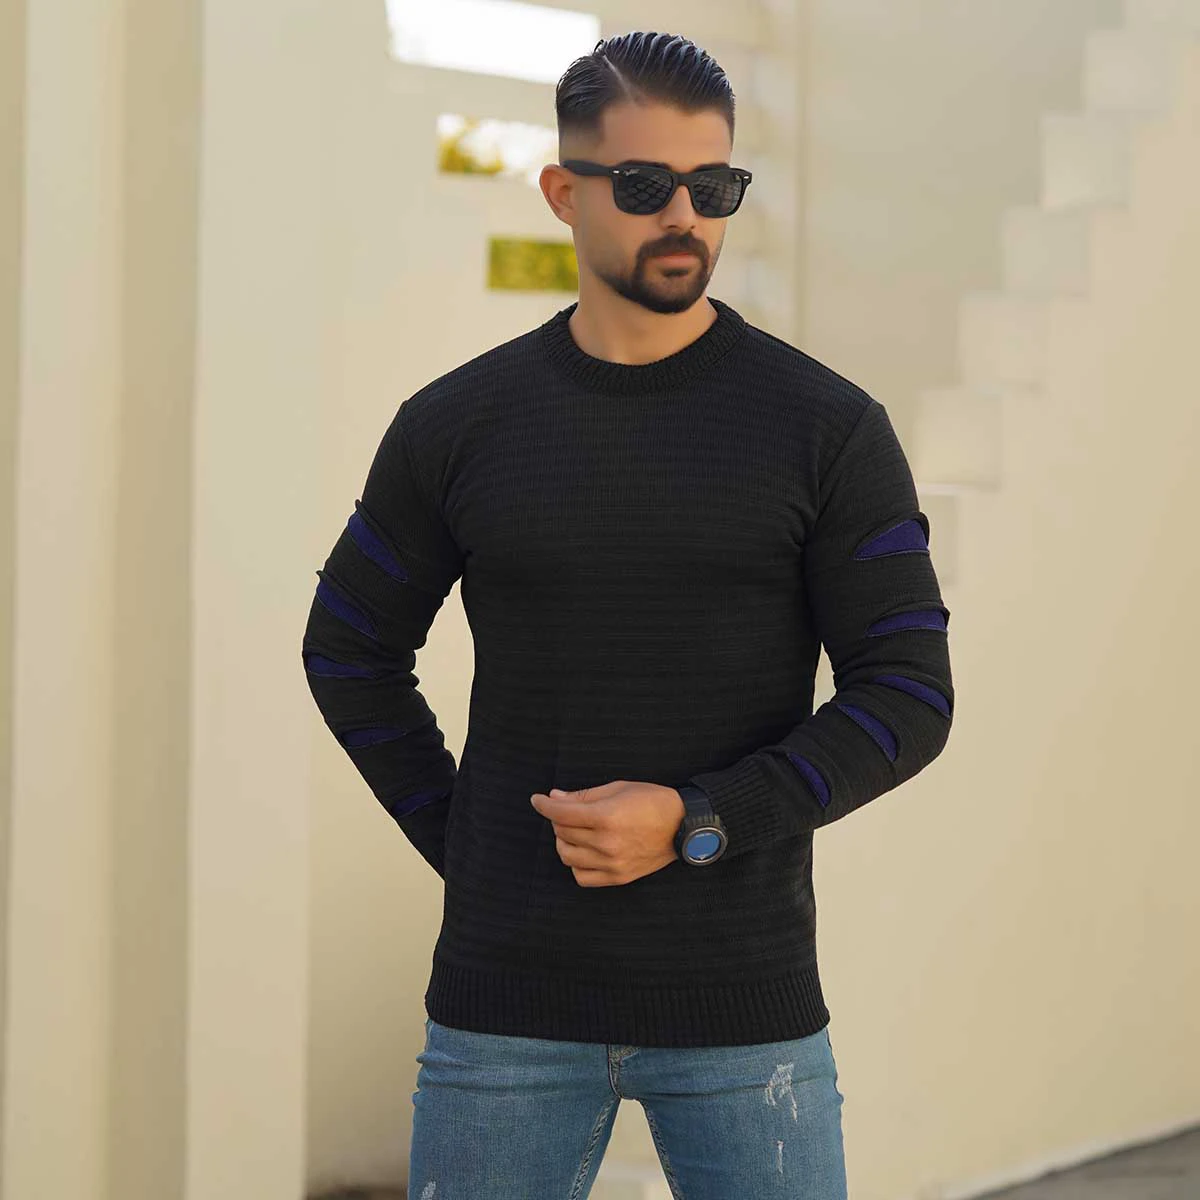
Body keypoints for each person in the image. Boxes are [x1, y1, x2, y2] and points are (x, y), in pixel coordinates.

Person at [301, 29, 954, 1200]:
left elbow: (909, 697)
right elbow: (349, 646)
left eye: (715, 187)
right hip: (504, 1011)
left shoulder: (827, 429)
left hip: (743, 1009)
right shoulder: (456, 424)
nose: (685, 218)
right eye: (646, 185)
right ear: (565, 192)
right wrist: (468, 845)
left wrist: (700, 819)